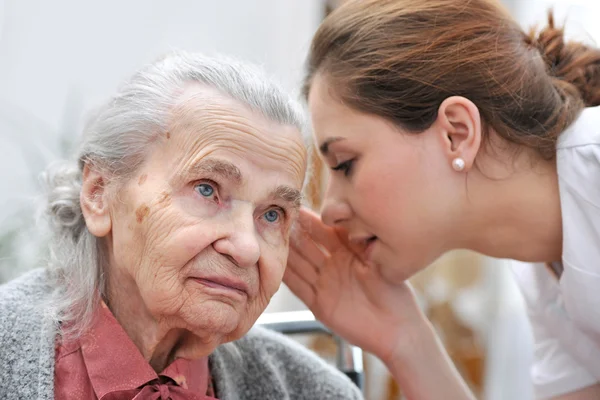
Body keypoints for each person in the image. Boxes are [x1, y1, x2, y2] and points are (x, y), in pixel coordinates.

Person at [0, 51, 364, 400]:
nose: (247, 247)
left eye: (272, 214)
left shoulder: (315, 392)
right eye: (207, 190)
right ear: (99, 194)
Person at [284, 0, 600, 399]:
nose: (329, 212)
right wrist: (407, 342)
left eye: (345, 164)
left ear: (457, 132)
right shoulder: (543, 273)